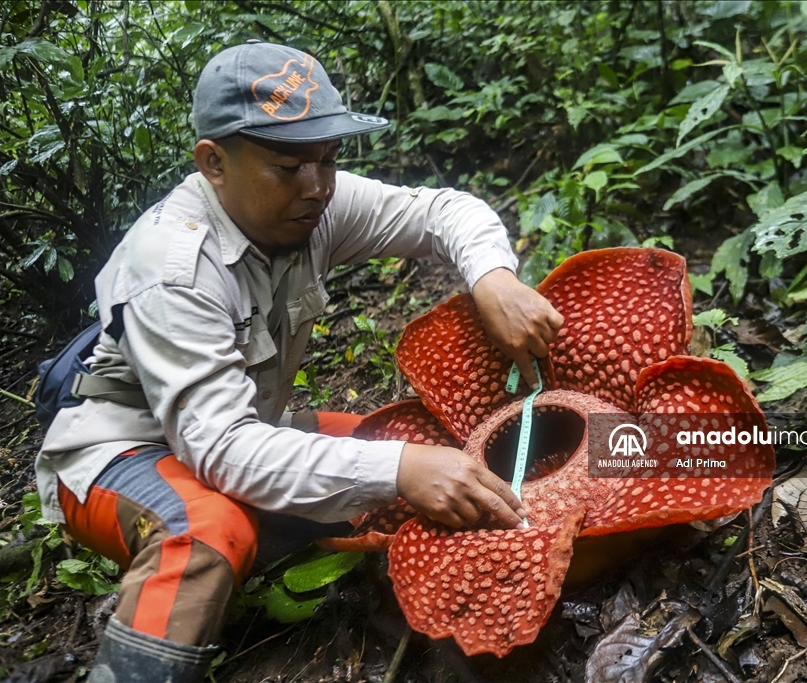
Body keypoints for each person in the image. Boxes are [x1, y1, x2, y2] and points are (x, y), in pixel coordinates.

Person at [34, 40, 564, 682]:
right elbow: (224, 452)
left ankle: (693, 454)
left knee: (405, 440)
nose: (317, 187)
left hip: (244, 429)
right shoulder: (172, 269)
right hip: (121, 453)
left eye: (329, 160)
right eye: (289, 166)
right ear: (214, 163)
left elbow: (442, 210)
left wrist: (493, 278)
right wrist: (401, 471)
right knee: (206, 531)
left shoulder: (313, 205)